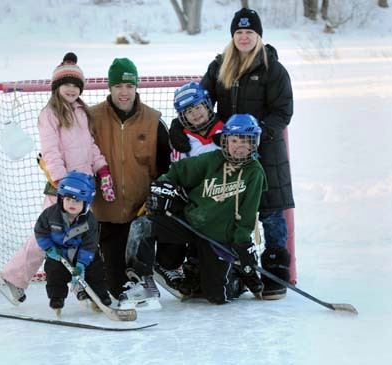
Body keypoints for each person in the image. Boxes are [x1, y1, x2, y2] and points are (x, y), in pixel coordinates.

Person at [170, 8, 294, 300]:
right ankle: (224, 265)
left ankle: (275, 270)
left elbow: (283, 111)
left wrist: (257, 135)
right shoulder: (220, 66)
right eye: (239, 32)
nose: (244, 37)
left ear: (258, 35)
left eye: (249, 32)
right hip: (226, 153)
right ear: (233, 36)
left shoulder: (273, 69)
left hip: (265, 151)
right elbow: (199, 101)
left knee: (271, 210)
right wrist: (178, 125)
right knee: (227, 207)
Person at [0, 52, 115, 305]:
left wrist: (101, 169)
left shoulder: (81, 111)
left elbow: (89, 145)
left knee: (79, 236)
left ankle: (80, 287)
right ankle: (13, 278)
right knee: (48, 234)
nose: (71, 89)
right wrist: (62, 184)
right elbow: (51, 152)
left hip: (84, 187)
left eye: (75, 85)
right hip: (63, 188)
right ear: (56, 87)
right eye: (66, 84)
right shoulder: (50, 114)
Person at [121, 114, 267, 305]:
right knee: (142, 226)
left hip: (218, 237)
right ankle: (142, 282)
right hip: (189, 223)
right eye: (234, 140)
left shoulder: (255, 172)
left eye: (246, 141)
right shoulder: (211, 160)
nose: (239, 146)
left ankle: (236, 276)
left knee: (215, 296)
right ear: (225, 141)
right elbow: (177, 172)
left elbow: (248, 212)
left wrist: (241, 243)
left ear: (254, 142)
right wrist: (161, 188)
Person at [118, 81, 225, 308]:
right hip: (190, 208)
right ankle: (145, 278)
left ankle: (204, 269)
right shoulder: (180, 140)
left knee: (213, 292)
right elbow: (175, 175)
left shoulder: (227, 132)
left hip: (218, 213)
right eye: (188, 111)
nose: (195, 114)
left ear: (208, 106)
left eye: (198, 107)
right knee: (144, 223)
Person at [88, 58, 171, 300]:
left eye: (129, 86)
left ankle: (151, 273)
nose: (124, 93)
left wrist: (155, 200)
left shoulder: (153, 121)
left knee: (136, 269)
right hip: (106, 214)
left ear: (136, 87)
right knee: (117, 286)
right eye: (118, 87)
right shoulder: (92, 118)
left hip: (140, 213)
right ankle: (99, 278)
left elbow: (165, 169)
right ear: (110, 88)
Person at [35, 171, 111, 315]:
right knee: (54, 271)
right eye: (68, 199)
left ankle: (100, 297)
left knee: (96, 272)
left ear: (86, 202)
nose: (71, 204)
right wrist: (49, 248)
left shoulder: (90, 221)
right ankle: (56, 298)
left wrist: (82, 264)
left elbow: (90, 244)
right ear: (61, 198)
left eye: (77, 201)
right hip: (59, 253)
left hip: (83, 253)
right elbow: (40, 231)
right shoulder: (50, 214)